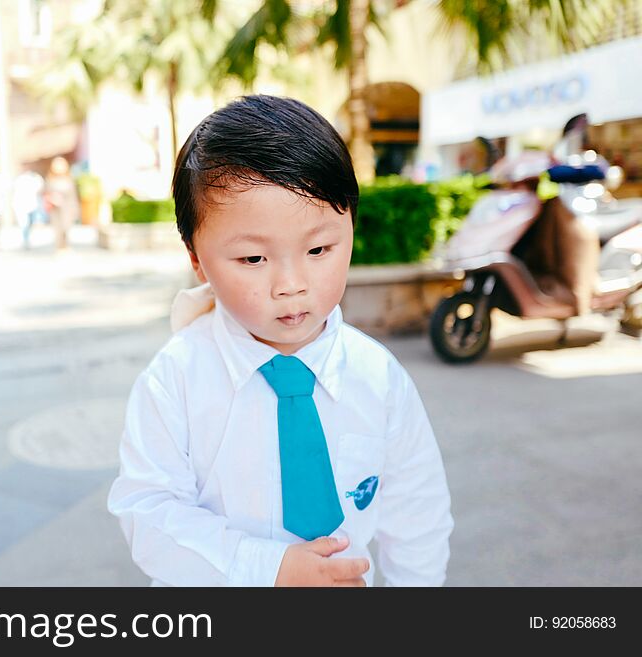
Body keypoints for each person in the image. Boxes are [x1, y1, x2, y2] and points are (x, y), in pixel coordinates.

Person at [107, 95, 454, 587]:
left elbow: (418, 512)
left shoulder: (378, 377)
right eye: (253, 259)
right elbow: (148, 513)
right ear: (196, 258)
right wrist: (266, 568)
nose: (291, 284)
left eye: (318, 249)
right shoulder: (176, 380)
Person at [44, 156, 79, 251]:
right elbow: (46, 193)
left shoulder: (70, 179)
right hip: (55, 209)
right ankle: (59, 246)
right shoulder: (50, 179)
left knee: (66, 226)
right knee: (57, 228)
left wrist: (75, 210)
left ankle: (65, 244)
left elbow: (73, 196)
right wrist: (52, 198)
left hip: (67, 207)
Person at [12, 167, 46, 250]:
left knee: (29, 223)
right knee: (25, 224)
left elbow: (40, 188)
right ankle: (25, 239)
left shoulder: (35, 179)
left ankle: (26, 239)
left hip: (32, 205)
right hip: (23, 206)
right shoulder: (20, 180)